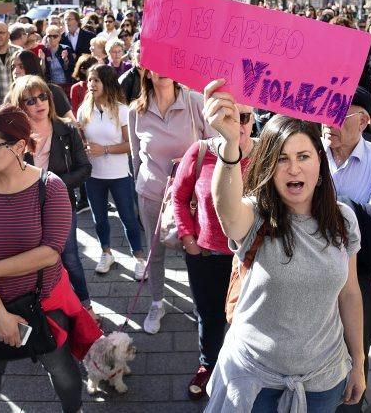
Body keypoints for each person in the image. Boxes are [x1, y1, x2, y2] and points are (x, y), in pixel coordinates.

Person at [202, 80, 365, 412]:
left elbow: (349, 293)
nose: (293, 168)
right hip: (254, 381)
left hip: (323, 382)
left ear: (320, 164)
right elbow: (228, 213)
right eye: (281, 159)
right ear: (269, 169)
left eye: (303, 156)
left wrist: (359, 360)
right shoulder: (256, 216)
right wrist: (230, 143)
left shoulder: (344, 220)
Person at [0, 103, 101, 413]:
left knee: (58, 365)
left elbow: (50, 253)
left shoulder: (50, 187)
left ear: (19, 145)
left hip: (42, 300)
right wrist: (0, 316)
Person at [322, 87, 371, 413]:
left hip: (362, 268)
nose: (329, 123)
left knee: (357, 345)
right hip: (307, 263)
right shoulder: (306, 150)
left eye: (339, 114)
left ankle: (352, 401)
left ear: (365, 120)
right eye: (324, 112)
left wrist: (313, 205)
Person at [171, 103, 256, 401]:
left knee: (244, 317)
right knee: (208, 315)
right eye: (229, 117)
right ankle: (208, 364)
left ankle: (239, 370)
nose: (238, 124)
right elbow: (179, 198)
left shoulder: (265, 155)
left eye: (244, 117)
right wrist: (187, 237)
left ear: (254, 119)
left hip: (249, 259)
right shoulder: (200, 152)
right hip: (205, 256)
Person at [129, 70, 213, 334]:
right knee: (155, 253)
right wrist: (139, 189)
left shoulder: (195, 101)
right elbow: (136, 159)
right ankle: (157, 302)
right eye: (155, 64)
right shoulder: (136, 111)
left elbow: (215, 148)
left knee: (196, 251)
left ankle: (202, 303)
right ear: (145, 71)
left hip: (191, 198)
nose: (162, 70)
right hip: (153, 193)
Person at [4, 76, 93, 313]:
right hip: (26, 207)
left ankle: (85, 306)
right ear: (20, 105)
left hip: (61, 203)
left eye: (43, 96)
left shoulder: (67, 129)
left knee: (70, 257)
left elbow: (85, 168)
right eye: (30, 100)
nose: (39, 103)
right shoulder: (14, 136)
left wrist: (52, 185)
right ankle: (46, 306)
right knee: (36, 260)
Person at [78, 64, 146, 279]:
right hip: (93, 176)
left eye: (96, 80)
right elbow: (82, 141)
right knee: (99, 219)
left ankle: (139, 258)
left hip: (119, 176)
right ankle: (106, 253)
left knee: (128, 218)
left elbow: (131, 146)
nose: (91, 85)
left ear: (106, 83)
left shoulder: (122, 110)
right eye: (89, 80)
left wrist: (105, 149)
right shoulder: (83, 110)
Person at [10, 49, 75, 121]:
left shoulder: (53, 91)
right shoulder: (11, 96)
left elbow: (72, 123)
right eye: (13, 67)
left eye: (21, 66)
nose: (15, 72)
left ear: (31, 67)